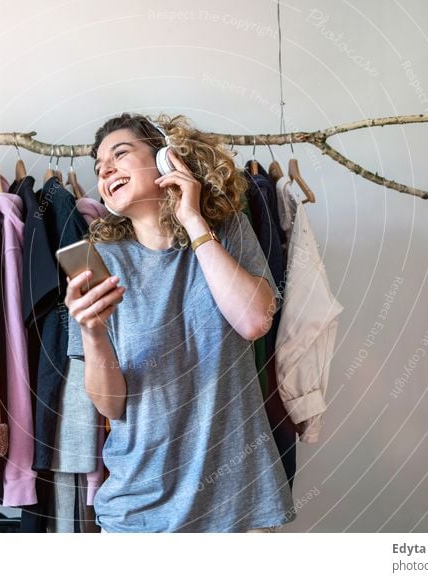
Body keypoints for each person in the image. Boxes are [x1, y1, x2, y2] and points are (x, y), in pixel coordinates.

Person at [64, 113, 295, 533]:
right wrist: (92, 333)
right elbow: (110, 405)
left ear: (166, 160)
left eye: (120, 154)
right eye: (99, 167)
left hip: (238, 504)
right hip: (139, 508)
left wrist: (193, 220)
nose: (105, 170)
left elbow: (255, 321)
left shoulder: (225, 231)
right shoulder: (99, 263)